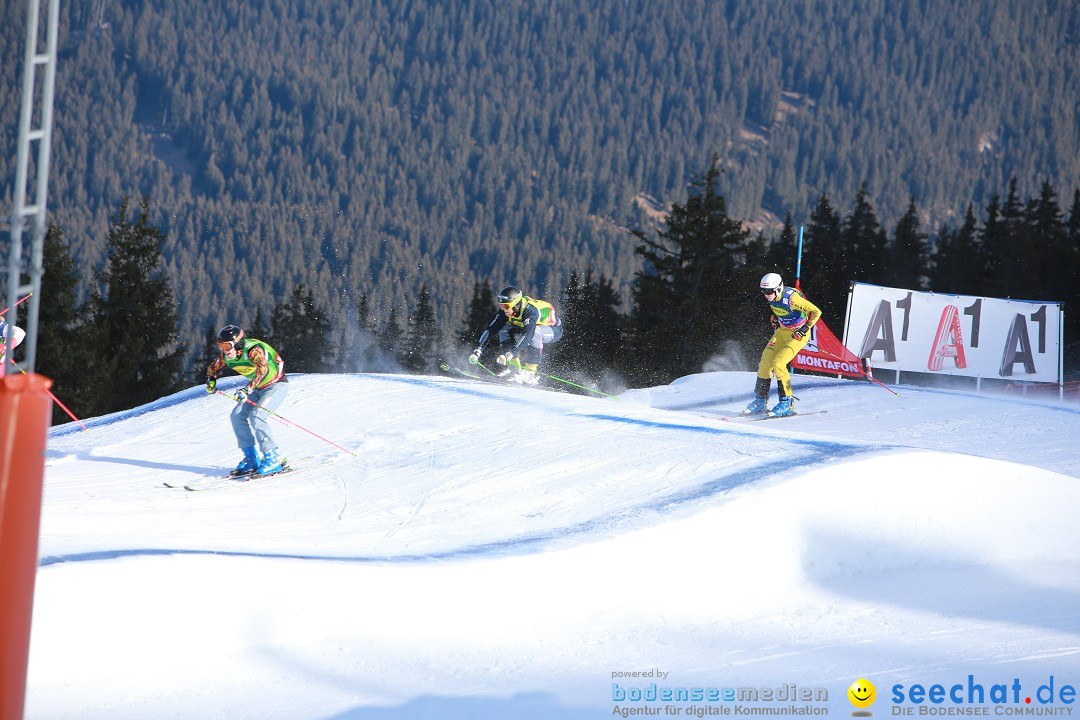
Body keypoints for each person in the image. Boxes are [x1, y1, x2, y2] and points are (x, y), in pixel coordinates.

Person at [206, 324, 289, 475]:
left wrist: (248, 389)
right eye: (221, 346)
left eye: (227, 345)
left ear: (237, 343)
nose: (224, 350)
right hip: (257, 388)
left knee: (257, 416)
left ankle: (272, 459)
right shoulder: (226, 355)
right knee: (237, 416)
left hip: (275, 386)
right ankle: (251, 458)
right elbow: (213, 367)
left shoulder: (252, 350)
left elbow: (263, 369)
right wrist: (211, 381)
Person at [744, 273, 821, 417]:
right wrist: (776, 318)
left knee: (779, 363)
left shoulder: (792, 299)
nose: (766, 295)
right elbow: (781, 311)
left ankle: (787, 403)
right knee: (765, 363)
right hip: (782, 332)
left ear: (778, 289)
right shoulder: (773, 297)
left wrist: (804, 329)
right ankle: (760, 401)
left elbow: (816, 311)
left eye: (769, 291)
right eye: (763, 291)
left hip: (797, 335)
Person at [468, 285, 562, 384]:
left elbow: (528, 336)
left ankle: (530, 373)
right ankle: (515, 369)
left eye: (506, 306)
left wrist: (510, 353)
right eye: (501, 306)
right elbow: (492, 329)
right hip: (529, 328)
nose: (504, 309)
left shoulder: (530, 312)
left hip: (553, 329)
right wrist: (478, 349)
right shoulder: (507, 311)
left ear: (516, 305)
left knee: (535, 332)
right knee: (504, 329)